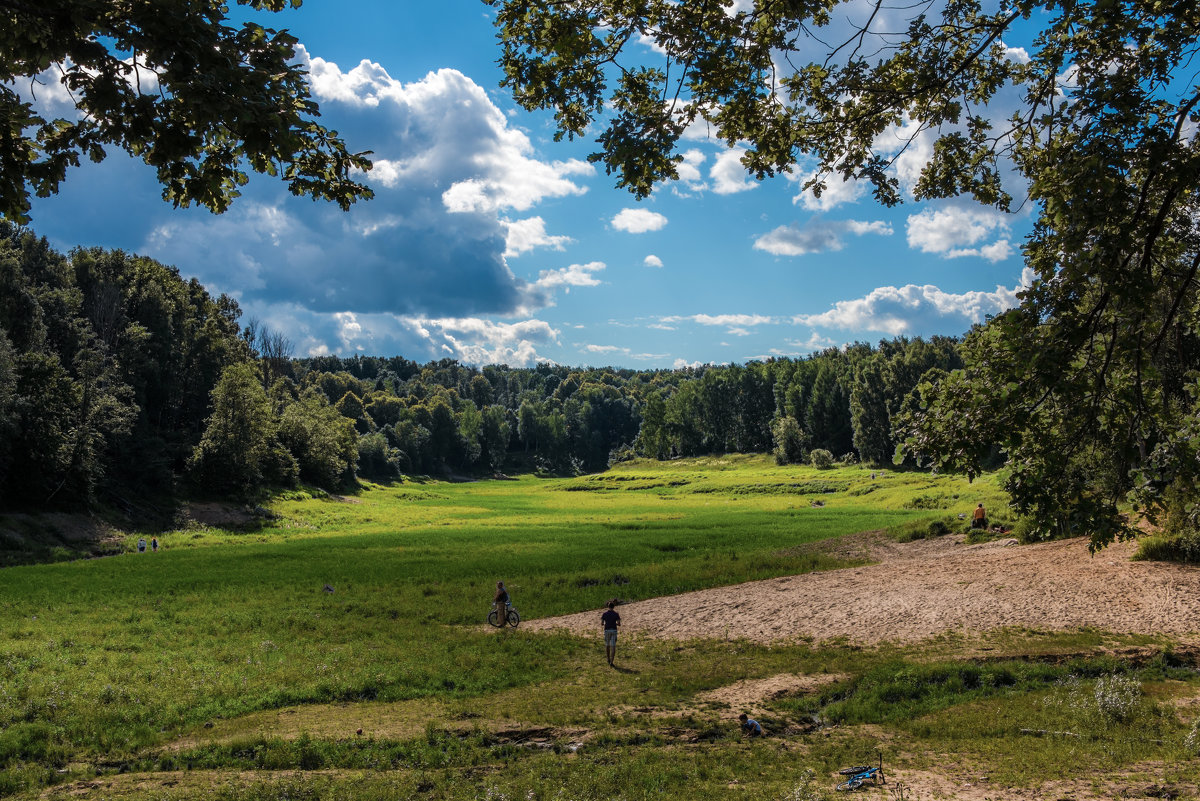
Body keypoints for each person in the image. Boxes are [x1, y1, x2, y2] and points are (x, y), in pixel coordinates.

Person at [600, 599, 621, 666]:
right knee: (613, 646)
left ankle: (608, 658)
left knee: (607, 645)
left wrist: (605, 623)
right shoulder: (616, 614)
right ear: (613, 607)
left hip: (607, 630)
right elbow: (619, 623)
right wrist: (616, 623)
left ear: (608, 607)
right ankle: (612, 661)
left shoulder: (604, 614)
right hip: (614, 630)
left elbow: (602, 623)